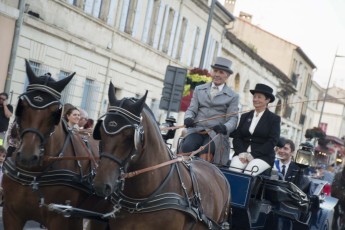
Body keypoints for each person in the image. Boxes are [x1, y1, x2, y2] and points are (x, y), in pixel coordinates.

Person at [180, 57, 239, 165]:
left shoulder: (233, 96)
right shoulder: (199, 89)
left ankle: (202, 177)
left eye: (221, 72)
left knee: (205, 151)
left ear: (227, 76)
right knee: (187, 146)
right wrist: (188, 118)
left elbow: (233, 119)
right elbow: (191, 109)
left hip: (216, 133)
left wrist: (225, 127)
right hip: (197, 129)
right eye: (215, 71)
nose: (217, 74)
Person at [230, 83, 280, 176]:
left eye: (259, 97)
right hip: (242, 153)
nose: (255, 99)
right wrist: (241, 152)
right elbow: (237, 136)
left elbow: (273, 141)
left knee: (250, 171)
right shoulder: (245, 116)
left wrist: (253, 155)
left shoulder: (274, 119)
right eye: (254, 96)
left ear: (267, 100)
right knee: (234, 169)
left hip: (262, 156)